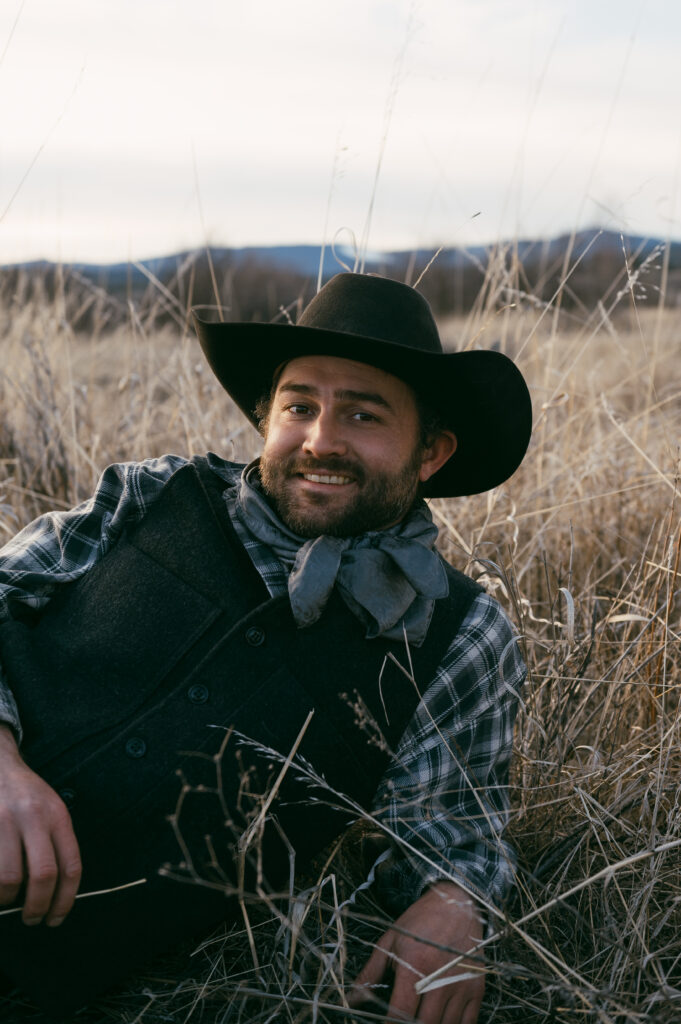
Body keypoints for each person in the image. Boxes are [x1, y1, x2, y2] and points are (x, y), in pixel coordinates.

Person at [0, 273, 531, 1023]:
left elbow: (452, 826)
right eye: (299, 407)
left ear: (431, 453)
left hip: (58, 978)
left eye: (363, 414)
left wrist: (453, 900)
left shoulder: (459, 635)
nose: (320, 439)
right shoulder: (154, 495)